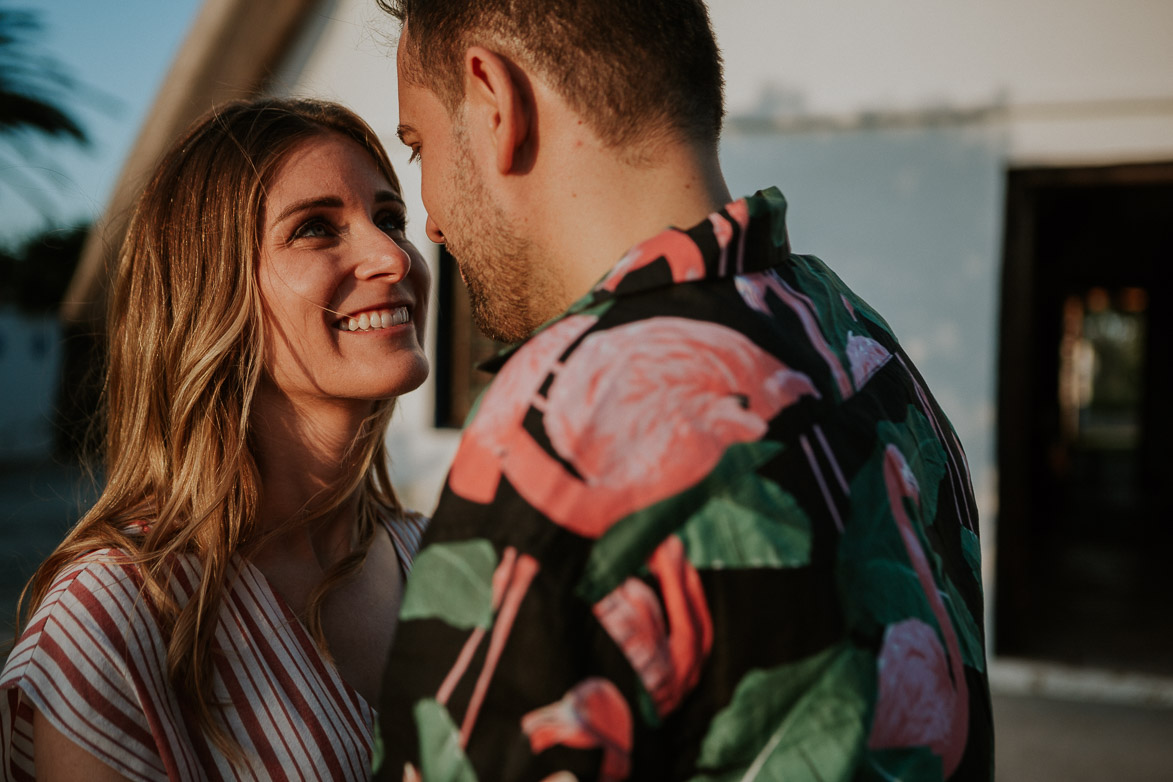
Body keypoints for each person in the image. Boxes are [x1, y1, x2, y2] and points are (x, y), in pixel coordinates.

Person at [375, 1, 995, 780]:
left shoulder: (561, 429)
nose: (427, 222)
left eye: (418, 144)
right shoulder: (862, 346)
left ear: (494, 102)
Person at [0, 98, 431, 781]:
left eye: (390, 219)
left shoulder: (446, 557)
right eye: (316, 227)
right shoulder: (114, 620)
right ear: (210, 292)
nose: (393, 256)